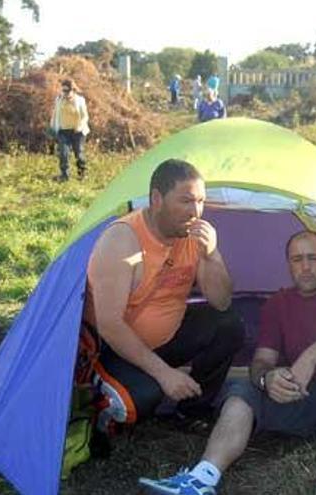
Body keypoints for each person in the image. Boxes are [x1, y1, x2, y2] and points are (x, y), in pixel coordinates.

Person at [139, 230, 316, 495]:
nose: (305, 267)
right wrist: (267, 379)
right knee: (242, 391)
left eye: (313, 258)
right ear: (288, 265)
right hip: (296, 399)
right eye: (297, 260)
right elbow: (261, 360)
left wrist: (310, 358)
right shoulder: (278, 303)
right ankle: (202, 478)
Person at [83, 159, 245, 439]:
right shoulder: (122, 240)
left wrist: (212, 255)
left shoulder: (193, 236)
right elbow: (109, 325)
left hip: (169, 336)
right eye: (186, 201)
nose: (195, 211)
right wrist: (164, 374)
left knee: (230, 324)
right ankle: (102, 396)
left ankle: (193, 411)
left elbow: (221, 302)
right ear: (157, 199)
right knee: (143, 400)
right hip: (117, 348)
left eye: (201, 201)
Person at [49, 79, 90, 181]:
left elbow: (85, 116)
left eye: (67, 91)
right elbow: (55, 115)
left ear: (73, 90)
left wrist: (79, 126)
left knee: (79, 153)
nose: (65, 93)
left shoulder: (80, 100)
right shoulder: (59, 99)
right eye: (63, 90)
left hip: (77, 131)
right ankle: (64, 175)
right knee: (63, 153)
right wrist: (52, 128)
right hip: (63, 131)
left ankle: (82, 173)